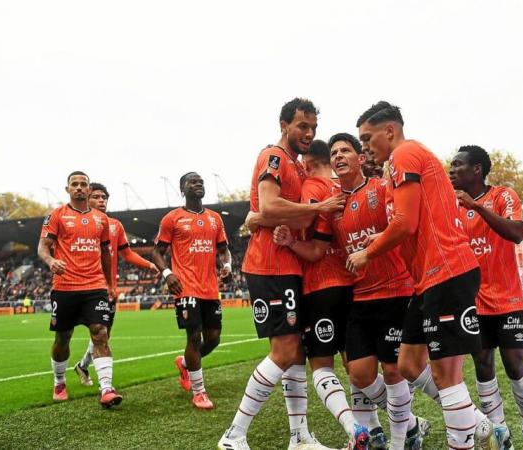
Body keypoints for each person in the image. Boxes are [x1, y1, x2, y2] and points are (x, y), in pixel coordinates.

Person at [347, 102, 512, 450]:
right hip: (428, 281)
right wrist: (382, 238)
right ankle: (481, 424)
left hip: (447, 273)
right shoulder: (401, 163)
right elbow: (413, 221)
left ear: (389, 130)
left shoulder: (406, 153)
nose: (365, 146)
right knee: (408, 364)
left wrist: (367, 252)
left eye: (367, 137)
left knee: (445, 376)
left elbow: (405, 223)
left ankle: (465, 439)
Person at [274, 133, 431, 450]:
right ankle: (413, 423)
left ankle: (408, 437)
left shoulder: (381, 188)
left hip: (395, 291)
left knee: (394, 369)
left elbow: (401, 224)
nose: (339, 156)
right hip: (360, 295)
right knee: (358, 373)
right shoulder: (333, 208)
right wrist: (290, 241)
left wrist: (370, 251)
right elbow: (318, 249)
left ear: (361, 159)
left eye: (346, 150)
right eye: (334, 152)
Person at [218, 98, 345, 450]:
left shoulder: (298, 169)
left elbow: (298, 218)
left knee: (296, 353)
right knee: (285, 349)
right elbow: (272, 205)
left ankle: (300, 436)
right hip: (269, 264)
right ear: (284, 124)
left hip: (289, 266)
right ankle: (234, 434)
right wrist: (273, 213)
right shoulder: (273, 157)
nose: (308, 133)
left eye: (313, 128)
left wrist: (265, 215)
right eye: (303, 126)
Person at [450, 146, 523, 450]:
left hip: (507, 299)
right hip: (472, 301)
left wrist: (477, 208)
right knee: (483, 364)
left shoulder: (504, 196)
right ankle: (501, 433)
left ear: (477, 169)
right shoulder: (450, 205)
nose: (451, 170)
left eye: (457, 165)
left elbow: (517, 233)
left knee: (515, 365)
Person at [37, 171, 122, 408]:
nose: (79, 188)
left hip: (94, 285)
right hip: (65, 287)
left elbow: (105, 253)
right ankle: (59, 380)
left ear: (88, 189)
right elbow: (42, 248)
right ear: (67, 189)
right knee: (63, 338)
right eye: (74, 184)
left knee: (100, 332)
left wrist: (110, 283)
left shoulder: (100, 219)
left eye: (83, 184)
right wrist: (51, 261)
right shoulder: (56, 215)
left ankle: (106, 388)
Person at [152, 172, 232, 410]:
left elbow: (224, 250)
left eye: (201, 182)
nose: (198, 184)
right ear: (182, 189)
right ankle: (199, 392)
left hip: (210, 288)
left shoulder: (215, 218)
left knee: (214, 338)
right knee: (194, 336)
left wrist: (226, 265)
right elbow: (157, 252)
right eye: (192, 182)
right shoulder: (172, 218)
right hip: (185, 287)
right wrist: (168, 274)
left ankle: (185, 363)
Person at [74, 183, 159, 387]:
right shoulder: (74, 222)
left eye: (105, 197)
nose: (102, 200)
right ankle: (59, 380)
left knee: (103, 334)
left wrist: (149, 263)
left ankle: (83, 366)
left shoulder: (115, 225)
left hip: (105, 288)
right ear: (86, 198)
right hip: (77, 286)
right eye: (96, 196)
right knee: (65, 333)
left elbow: (127, 253)